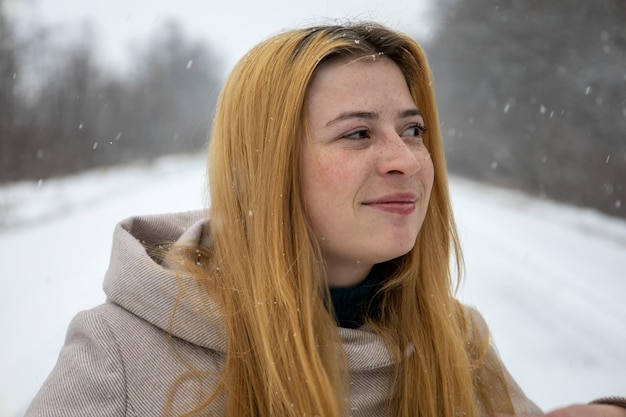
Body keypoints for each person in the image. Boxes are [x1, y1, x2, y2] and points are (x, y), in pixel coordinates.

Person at [25, 22, 625, 417]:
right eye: (357, 133)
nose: (405, 160)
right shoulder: (125, 351)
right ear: (266, 165)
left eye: (412, 130)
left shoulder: (452, 340)